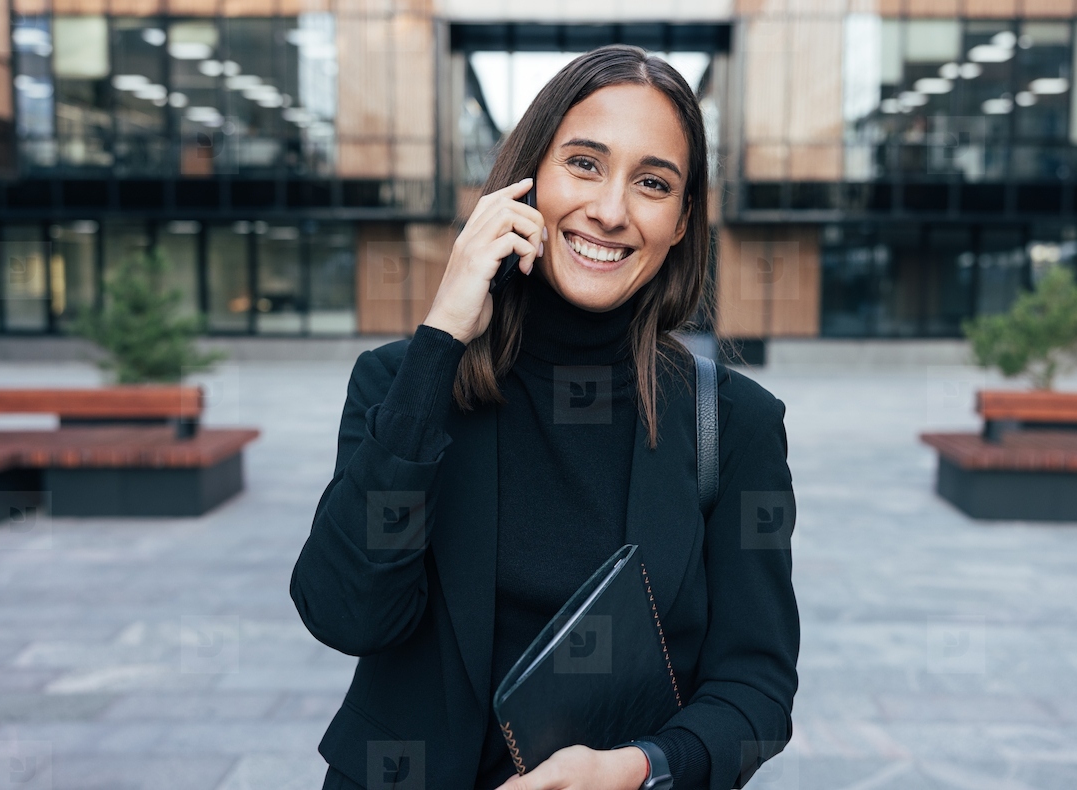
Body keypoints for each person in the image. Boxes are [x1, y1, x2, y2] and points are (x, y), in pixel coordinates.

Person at [290, 44, 799, 790]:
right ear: (526, 179)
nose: (611, 210)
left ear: (683, 221)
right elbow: (345, 614)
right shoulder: (402, 382)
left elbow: (757, 691)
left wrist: (641, 767)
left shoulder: (736, 424)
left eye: (652, 182)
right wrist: (440, 342)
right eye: (584, 164)